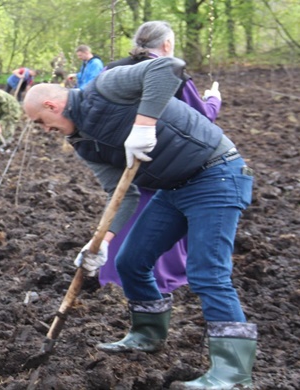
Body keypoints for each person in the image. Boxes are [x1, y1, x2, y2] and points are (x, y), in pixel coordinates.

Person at [23, 57, 256, 389]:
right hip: (173, 188)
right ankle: (147, 334)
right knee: (130, 261)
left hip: (215, 173)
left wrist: (144, 125)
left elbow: (168, 68)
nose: (45, 130)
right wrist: (100, 242)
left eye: (41, 122)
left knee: (208, 272)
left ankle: (233, 374)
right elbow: (122, 194)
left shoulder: (106, 88)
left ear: (52, 104)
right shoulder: (84, 144)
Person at [99, 20, 223, 293]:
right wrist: (214, 99)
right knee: (164, 214)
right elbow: (200, 119)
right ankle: (162, 274)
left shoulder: (111, 70)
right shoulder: (171, 71)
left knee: (127, 209)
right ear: (167, 44)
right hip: (166, 159)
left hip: (120, 155)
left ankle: (113, 272)